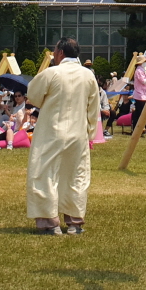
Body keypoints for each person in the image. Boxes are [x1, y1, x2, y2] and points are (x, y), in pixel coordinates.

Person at [25, 38, 100, 236]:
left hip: (51, 131)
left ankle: (49, 222)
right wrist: (90, 133)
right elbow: (94, 108)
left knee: (44, 173)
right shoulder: (88, 76)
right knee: (76, 175)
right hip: (78, 132)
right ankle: (74, 222)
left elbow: (33, 96)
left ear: (60, 53)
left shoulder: (51, 73)